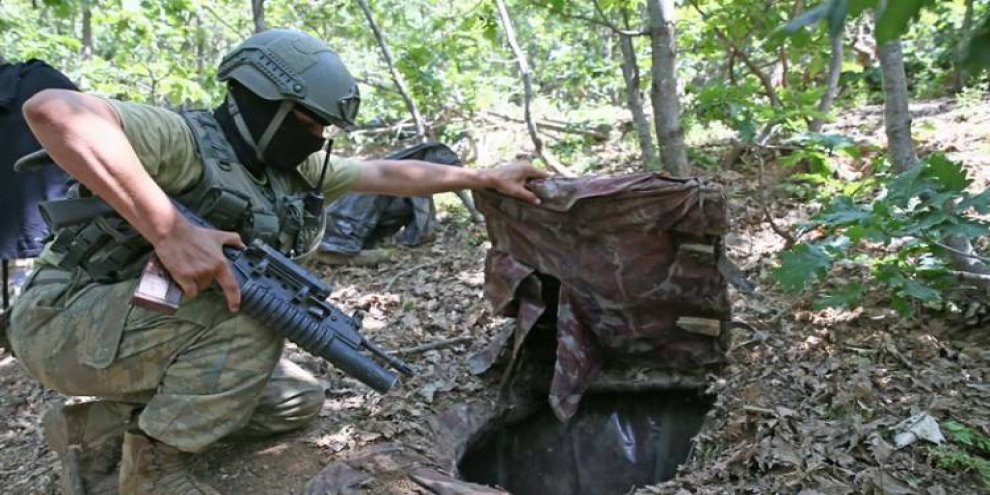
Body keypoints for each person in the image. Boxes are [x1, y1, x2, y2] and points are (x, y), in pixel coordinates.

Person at [8, 29, 548, 495]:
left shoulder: (290, 171)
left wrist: (481, 177)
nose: (318, 138)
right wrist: (169, 228)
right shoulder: (184, 140)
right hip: (65, 318)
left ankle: (95, 428)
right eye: (311, 123)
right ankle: (153, 472)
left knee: (294, 399)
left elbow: (384, 175)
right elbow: (53, 110)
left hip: (148, 322)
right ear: (267, 103)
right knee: (248, 326)